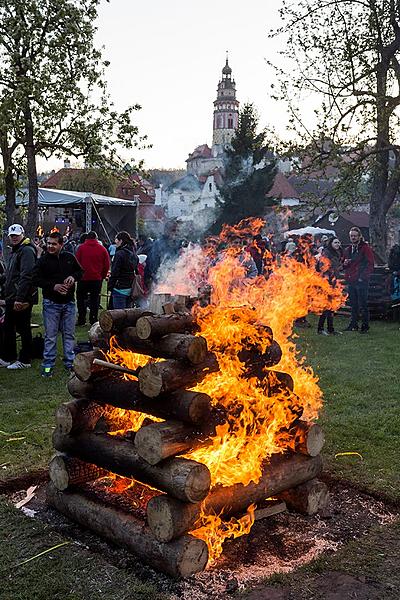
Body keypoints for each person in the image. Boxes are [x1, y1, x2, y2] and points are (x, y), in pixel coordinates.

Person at [32, 231, 83, 377]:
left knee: (69, 334)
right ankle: (48, 366)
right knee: (51, 336)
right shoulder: (43, 261)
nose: (50, 246)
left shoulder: (69, 257)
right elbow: (34, 279)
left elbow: (80, 272)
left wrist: (73, 277)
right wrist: (53, 286)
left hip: (69, 303)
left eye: (54, 244)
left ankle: (70, 364)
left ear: (61, 244)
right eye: (48, 243)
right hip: (51, 303)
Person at [0, 224, 37, 370]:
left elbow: (26, 276)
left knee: (23, 328)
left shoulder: (26, 251)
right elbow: (11, 275)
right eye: (12, 236)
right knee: (9, 328)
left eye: (16, 235)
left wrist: (20, 298)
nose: (14, 238)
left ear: (22, 235)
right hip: (12, 296)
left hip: (20, 298)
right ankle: (8, 357)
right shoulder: (16, 251)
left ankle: (25, 359)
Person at [343, 227, 374, 333]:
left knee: (363, 304)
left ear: (359, 236)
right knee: (353, 304)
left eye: (355, 236)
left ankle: (365, 326)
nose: (353, 238)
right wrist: (345, 264)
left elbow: (370, 264)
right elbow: (344, 265)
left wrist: (363, 277)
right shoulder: (348, 249)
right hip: (351, 280)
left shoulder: (365, 248)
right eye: (351, 236)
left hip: (361, 281)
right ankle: (353, 324)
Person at [75, 231, 110, 325]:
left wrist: (78, 275)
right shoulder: (102, 249)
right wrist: (102, 276)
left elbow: (77, 263)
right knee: (95, 299)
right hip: (96, 279)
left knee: (81, 299)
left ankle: (81, 319)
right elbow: (106, 265)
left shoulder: (81, 248)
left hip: (83, 279)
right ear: (96, 238)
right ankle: (93, 319)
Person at [317, 237, 343, 335]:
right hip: (326, 283)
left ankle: (330, 329)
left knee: (332, 306)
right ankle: (320, 329)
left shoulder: (337, 253)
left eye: (338, 242)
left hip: (333, 282)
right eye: (335, 242)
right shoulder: (326, 253)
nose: (337, 244)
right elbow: (322, 267)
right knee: (326, 306)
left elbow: (336, 267)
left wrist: (342, 266)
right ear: (331, 243)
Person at [108, 231, 138, 309]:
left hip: (119, 288)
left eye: (116, 240)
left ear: (121, 241)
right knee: (127, 314)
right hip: (130, 287)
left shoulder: (119, 254)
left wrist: (110, 285)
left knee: (118, 315)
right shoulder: (134, 254)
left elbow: (115, 272)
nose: (115, 242)